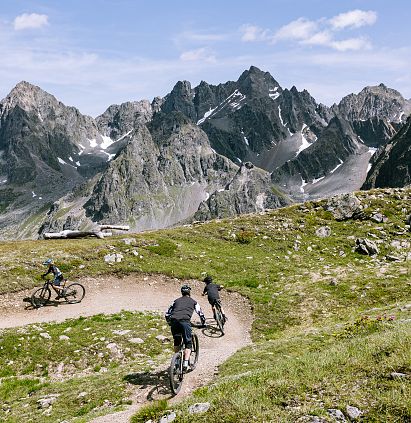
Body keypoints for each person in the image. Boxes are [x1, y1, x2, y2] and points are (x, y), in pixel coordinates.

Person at [165, 284, 206, 371]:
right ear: (189, 292)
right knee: (188, 343)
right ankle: (186, 363)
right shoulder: (194, 302)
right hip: (185, 321)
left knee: (177, 341)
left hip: (174, 321)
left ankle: (176, 362)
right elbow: (200, 313)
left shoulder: (175, 301)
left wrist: (170, 322)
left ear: (182, 292)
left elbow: (167, 313)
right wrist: (203, 323)